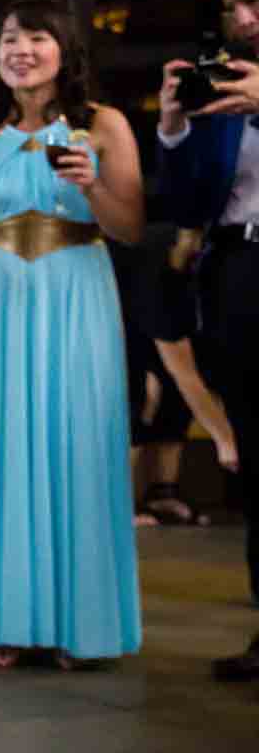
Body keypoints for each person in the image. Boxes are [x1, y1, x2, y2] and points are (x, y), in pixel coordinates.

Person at [0, 0, 144, 669]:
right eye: (9, 39)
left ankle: (80, 624)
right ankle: (2, 615)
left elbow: (130, 226)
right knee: (1, 447)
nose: (20, 50)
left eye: (36, 38)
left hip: (79, 289)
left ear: (64, 50)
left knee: (78, 444)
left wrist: (93, 184)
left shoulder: (103, 126)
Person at [154, 0, 259, 678]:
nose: (245, 19)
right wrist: (173, 130)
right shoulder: (226, 85)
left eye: (256, 2)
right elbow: (190, 204)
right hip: (240, 271)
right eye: (235, 8)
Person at [113, 221, 235, 526]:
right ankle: (116, 504)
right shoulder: (157, 267)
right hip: (117, 320)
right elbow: (183, 372)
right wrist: (225, 440)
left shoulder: (191, 269)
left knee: (170, 395)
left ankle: (163, 492)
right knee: (141, 395)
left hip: (151, 318)